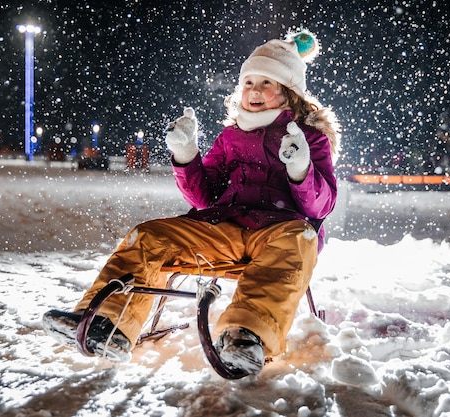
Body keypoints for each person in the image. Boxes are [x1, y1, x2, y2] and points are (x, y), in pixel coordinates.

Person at [43, 29, 340, 377]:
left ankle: (248, 337)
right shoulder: (231, 136)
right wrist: (186, 154)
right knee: (149, 236)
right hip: (224, 230)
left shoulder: (310, 137)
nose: (255, 91)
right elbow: (204, 197)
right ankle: (109, 323)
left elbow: (321, 206)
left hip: (281, 232)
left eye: (267, 83)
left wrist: (301, 168)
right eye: (248, 82)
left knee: (297, 242)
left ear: (290, 94)